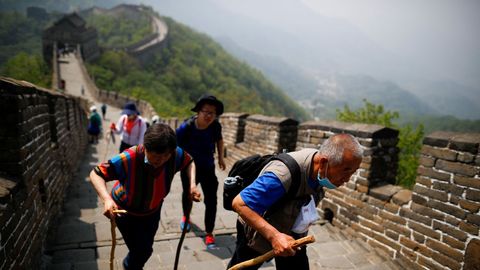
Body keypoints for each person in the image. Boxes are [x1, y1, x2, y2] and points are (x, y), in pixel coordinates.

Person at [227, 133, 363, 270]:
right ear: (323, 163)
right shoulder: (283, 174)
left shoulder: (320, 168)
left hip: (292, 233)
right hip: (257, 231)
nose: (347, 179)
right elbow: (240, 203)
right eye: (346, 170)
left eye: (353, 172)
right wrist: (275, 236)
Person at [89, 123, 202, 269]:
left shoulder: (174, 154)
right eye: (156, 157)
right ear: (145, 148)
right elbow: (96, 174)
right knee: (140, 251)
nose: (160, 161)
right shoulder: (129, 157)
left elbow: (189, 162)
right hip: (125, 212)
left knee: (146, 249)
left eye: (165, 157)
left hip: (152, 211)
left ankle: (130, 265)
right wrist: (106, 199)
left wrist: (192, 185)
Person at [176, 94, 226, 247]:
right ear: (199, 111)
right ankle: (186, 216)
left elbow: (219, 139)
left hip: (208, 168)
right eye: (206, 112)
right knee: (188, 194)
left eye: (213, 113)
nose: (209, 116)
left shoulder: (215, 126)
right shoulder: (186, 127)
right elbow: (174, 146)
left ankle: (209, 232)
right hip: (188, 168)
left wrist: (221, 158)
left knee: (212, 200)